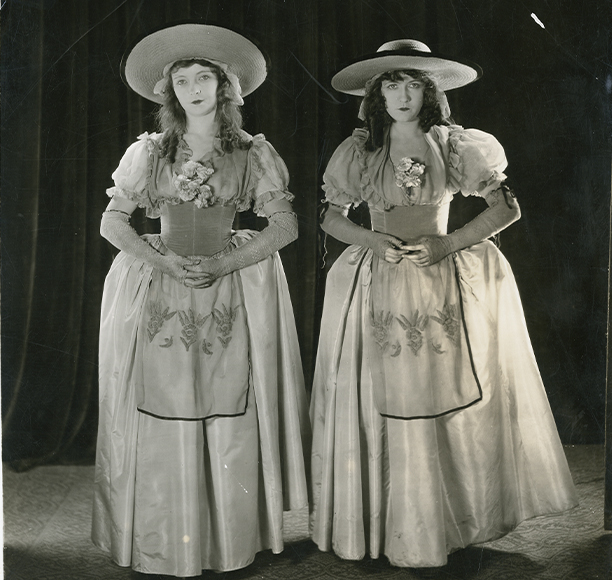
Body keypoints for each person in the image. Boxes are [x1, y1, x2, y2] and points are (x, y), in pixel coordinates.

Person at [310, 39, 578, 568]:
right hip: (376, 277)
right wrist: (371, 241)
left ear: (429, 93)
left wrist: (446, 244)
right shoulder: (360, 150)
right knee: (375, 396)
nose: (402, 95)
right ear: (376, 93)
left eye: (413, 85)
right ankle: (389, 527)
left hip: (438, 277)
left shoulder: (454, 145)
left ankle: (446, 526)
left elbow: (506, 208)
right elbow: (329, 216)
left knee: (441, 395)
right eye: (392, 84)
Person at [91, 23, 310, 577]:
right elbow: (113, 222)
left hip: (228, 285)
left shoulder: (251, 152)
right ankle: (166, 540)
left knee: (225, 401)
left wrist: (222, 264)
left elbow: (283, 226)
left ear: (224, 86)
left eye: (204, 77)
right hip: (161, 284)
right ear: (171, 91)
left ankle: (228, 541)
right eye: (182, 79)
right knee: (163, 400)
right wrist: (165, 262)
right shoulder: (149, 151)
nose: (193, 88)